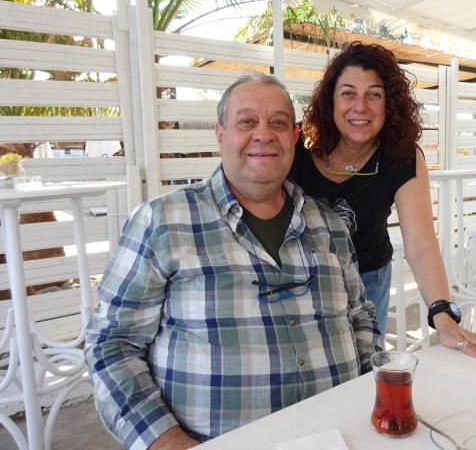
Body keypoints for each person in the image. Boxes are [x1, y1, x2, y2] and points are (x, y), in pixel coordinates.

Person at [84, 72, 383, 450]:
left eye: (278, 123)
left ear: (294, 137)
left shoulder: (330, 225)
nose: (264, 134)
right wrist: (165, 441)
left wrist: (375, 398)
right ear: (220, 134)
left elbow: (360, 318)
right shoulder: (162, 222)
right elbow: (112, 344)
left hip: (342, 437)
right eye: (246, 121)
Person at [289, 41, 476, 365]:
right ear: (330, 100)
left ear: (390, 104)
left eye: (374, 95)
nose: (360, 106)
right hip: (300, 276)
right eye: (348, 93)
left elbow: (421, 243)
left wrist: (442, 314)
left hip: (366, 278)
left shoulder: (401, 156)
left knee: (363, 367)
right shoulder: (296, 145)